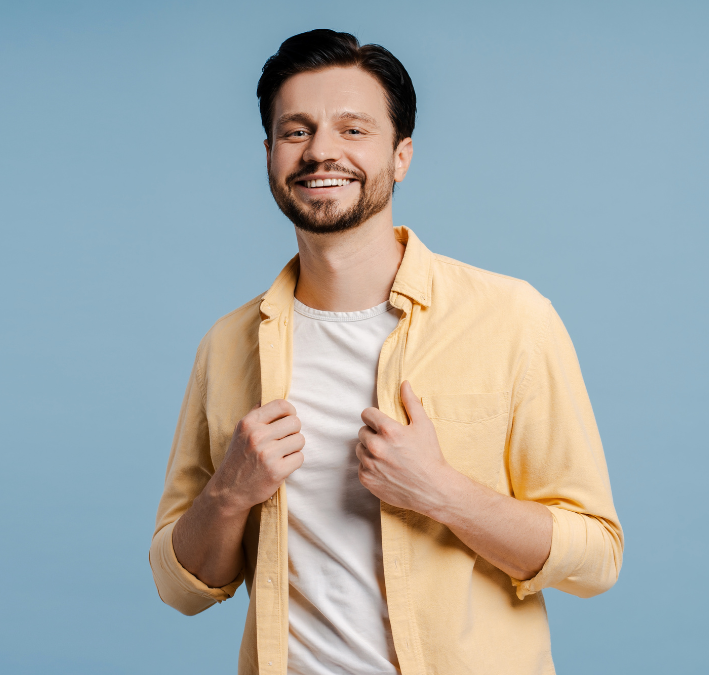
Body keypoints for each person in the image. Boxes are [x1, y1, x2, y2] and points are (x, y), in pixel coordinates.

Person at [149, 29, 623, 675]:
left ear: (400, 155)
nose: (320, 151)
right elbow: (180, 586)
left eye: (352, 130)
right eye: (296, 131)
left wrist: (441, 491)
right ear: (268, 153)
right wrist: (230, 492)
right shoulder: (228, 344)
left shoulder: (512, 318)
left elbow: (596, 557)